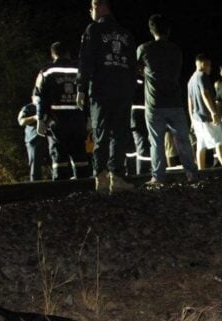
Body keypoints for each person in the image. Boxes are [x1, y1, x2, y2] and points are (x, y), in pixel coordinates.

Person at [77, 0, 136, 193]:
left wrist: (81, 88)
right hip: (122, 91)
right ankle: (116, 177)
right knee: (119, 134)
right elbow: (132, 66)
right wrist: (131, 90)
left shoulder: (93, 30)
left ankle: (101, 177)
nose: (91, 11)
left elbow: (86, 59)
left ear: (101, 7)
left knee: (101, 132)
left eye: (93, 6)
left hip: (101, 90)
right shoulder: (126, 34)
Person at [136, 14, 198, 184]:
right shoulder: (176, 50)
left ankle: (158, 177)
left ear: (151, 30)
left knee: (156, 142)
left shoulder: (144, 49)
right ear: (168, 31)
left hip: (154, 103)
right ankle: (191, 173)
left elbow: (136, 69)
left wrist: (146, 72)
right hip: (175, 102)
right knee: (183, 140)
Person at [34, 41, 91, 180]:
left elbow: (41, 97)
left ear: (53, 54)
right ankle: (84, 191)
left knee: (59, 158)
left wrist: (40, 120)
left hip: (56, 121)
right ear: (68, 53)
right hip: (78, 121)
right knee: (80, 157)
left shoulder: (47, 71)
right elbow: (89, 94)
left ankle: (60, 193)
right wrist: (89, 118)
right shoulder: (80, 69)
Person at [187, 53, 222, 176]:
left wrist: (192, 119)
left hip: (197, 119)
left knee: (200, 146)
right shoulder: (202, 76)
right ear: (203, 64)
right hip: (207, 117)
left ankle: (201, 173)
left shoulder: (191, 80)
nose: (210, 68)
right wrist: (213, 112)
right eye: (209, 65)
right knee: (219, 142)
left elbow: (190, 101)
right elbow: (205, 94)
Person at [17, 98, 49, 180]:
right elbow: (21, 121)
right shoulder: (28, 108)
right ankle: (36, 187)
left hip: (49, 139)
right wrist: (35, 117)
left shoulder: (49, 106)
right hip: (34, 140)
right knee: (35, 167)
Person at [128, 76, 152, 175]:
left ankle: (131, 173)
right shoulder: (140, 81)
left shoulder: (127, 78)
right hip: (140, 118)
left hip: (131, 118)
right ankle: (143, 174)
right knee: (143, 148)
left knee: (131, 150)